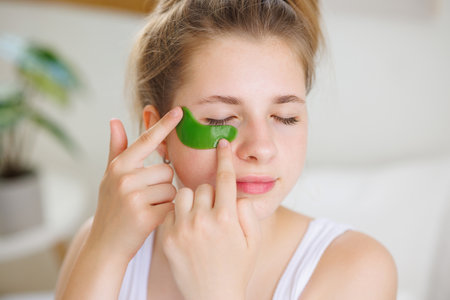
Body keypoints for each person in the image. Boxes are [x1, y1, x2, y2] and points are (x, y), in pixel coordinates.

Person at [54, 0, 398, 299]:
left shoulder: (357, 269)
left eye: (285, 117)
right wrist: (105, 251)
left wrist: (216, 291)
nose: (261, 148)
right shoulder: (99, 240)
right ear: (158, 134)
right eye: (221, 118)